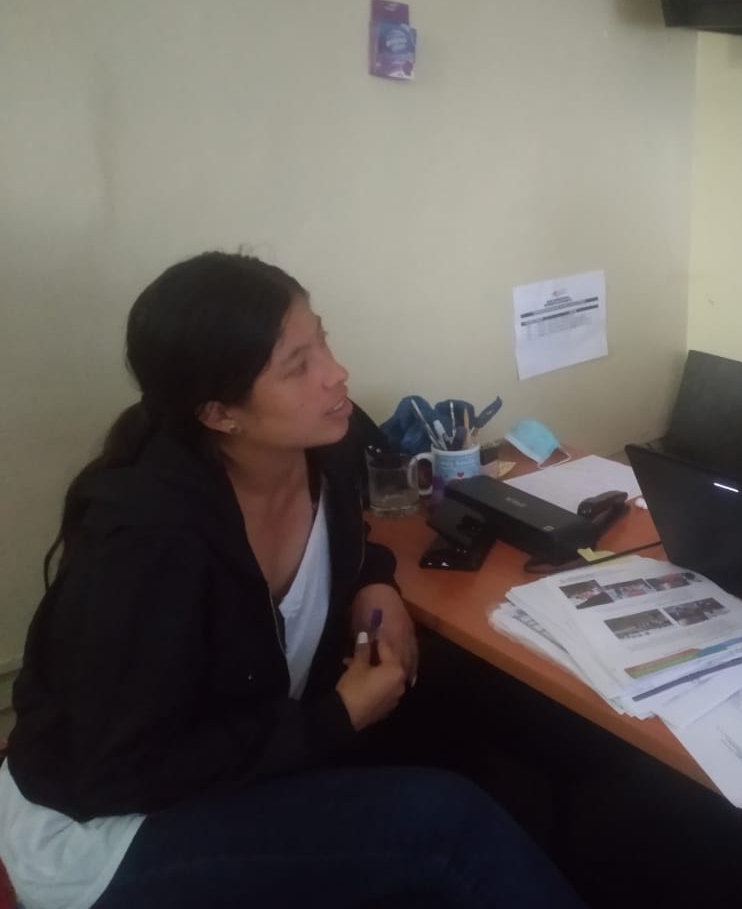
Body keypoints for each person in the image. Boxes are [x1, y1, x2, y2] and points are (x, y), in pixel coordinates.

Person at [0, 253, 585, 909]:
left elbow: (348, 541)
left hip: (246, 753)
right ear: (220, 414)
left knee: (479, 714)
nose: (337, 373)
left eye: (323, 342)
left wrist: (376, 584)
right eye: (297, 365)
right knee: (447, 827)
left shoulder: (326, 446)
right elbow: (119, 771)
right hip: (105, 834)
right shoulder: (148, 543)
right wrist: (335, 720)